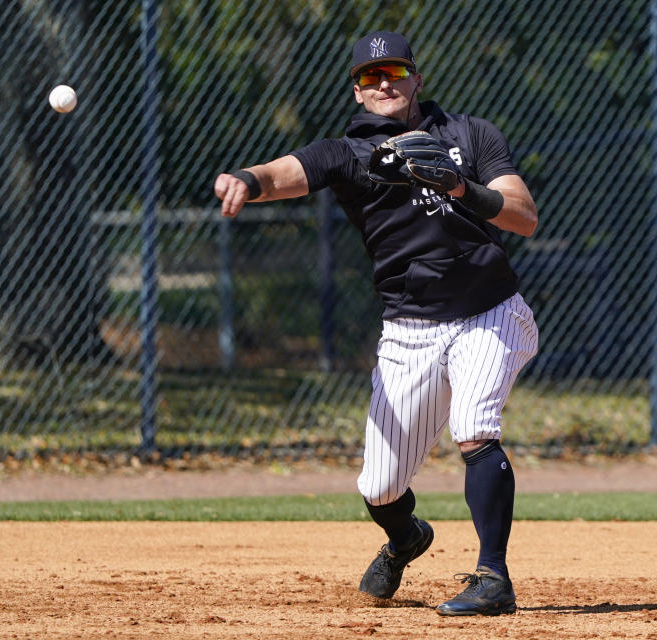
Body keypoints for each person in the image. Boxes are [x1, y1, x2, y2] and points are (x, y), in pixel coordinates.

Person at [213, 30, 539, 616]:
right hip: (410, 329)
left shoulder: (471, 134)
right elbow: (289, 171)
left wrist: (461, 187)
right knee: (380, 487)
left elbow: (523, 217)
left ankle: (493, 578)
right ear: (358, 91)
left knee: (474, 424)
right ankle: (406, 536)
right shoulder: (349, 153)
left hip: (491, 312)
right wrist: (247, 180)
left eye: (393, 71)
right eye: (370, 76)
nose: (383, 83)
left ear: (417, 77)